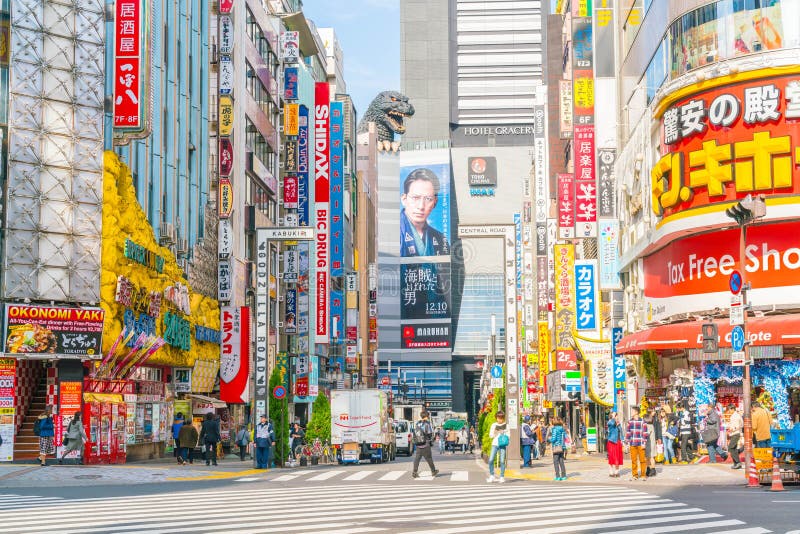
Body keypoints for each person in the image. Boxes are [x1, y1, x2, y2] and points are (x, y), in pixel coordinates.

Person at [400, 168, 450, 257]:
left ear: (435, 202)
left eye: (428, 199)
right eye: (415, 198)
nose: (421, 206)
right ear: (404, 199)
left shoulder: (440, 239)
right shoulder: (393, 233)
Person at [411, 410, 439, 478]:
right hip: (425, 444)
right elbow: (429, 433)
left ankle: (414, 472)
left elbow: (415, 433)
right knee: (429, 458)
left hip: (418, 444)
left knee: (417, 459)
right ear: (426, 416)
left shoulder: (417, 423)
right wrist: (431, 440)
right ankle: (433, 471)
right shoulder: (427, 423)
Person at [625, 407, 649, 480]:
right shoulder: (630, 422)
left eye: (632, 411)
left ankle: (643, 475)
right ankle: (635, 475)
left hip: (640, 443)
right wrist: (627, 443)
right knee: (633, 460)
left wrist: (644, 443)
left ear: (636, 412)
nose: (631, 412)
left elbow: (645, 433)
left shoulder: (642, 421)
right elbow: (628, 433)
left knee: (642, 460)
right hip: (632, 443)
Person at [487, 411, 510, 483]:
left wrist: (503, 433)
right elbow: (490, 436)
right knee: (490, 460)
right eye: (498, 418)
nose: (499, 419)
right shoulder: (494, 425)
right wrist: (495, 432)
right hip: (495, 444)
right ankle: (492, 475)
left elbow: (509, 436)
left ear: (503, 418)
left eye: (501, 418)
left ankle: (502, 476)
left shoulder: (506, 425)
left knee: (502, 461)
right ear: (496, 418)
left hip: (502, 445)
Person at [726, 404, 744, 469]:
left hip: (735, 433)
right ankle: (736, 463)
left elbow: (737, 425)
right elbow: (741, 424)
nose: (729, 411)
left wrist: (732, 428)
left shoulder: (735, 416)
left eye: (729, 409)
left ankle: (738, 462)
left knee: (730, 448)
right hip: (735, 433)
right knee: (734, 448)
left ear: (733, 409)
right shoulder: (736, 415)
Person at [606, 412, 623, 477]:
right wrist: (613, 417)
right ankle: (611, 472)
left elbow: (621, 433)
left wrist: (623, 441)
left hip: (618, 442)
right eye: (615, 415)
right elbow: (612, 423)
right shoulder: (610, 422)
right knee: (611, 457)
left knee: (617, 457)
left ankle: (616, 472)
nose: (617, 416)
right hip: (612, 442)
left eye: (616, 415)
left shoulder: (618, 423)